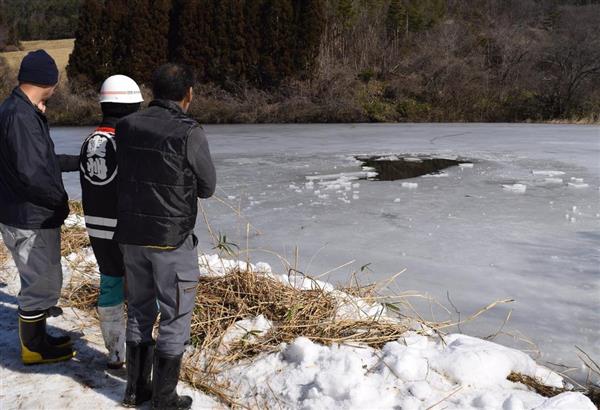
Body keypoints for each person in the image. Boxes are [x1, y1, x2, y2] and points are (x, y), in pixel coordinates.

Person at [114, 63, 216, 410]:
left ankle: (136, 390)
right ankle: (164, 398)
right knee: (175, 314)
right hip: (171, 238)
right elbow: (208, 187)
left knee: (139, 309)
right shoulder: (190, 132)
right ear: (188, 93)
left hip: (131, 236)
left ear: (152, 91)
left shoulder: (125, 126)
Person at [0, 50, 79, 365]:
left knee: (40, 280)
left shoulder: (17, 110)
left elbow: (40, 164)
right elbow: (33, 174)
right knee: (42, 284)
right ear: (50, 82)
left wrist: (77, 162)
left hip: (21, 213)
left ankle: (38, 339)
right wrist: (60, 204)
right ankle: (33, 348)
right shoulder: (21, 117)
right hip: (30, 217)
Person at [79, 75, 143, 369]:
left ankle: (115, 353)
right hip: (125, 229)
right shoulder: (125, 143)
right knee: (141, 291)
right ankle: (142, 354)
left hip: (95, 226)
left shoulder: (89, 141)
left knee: (110, 284)